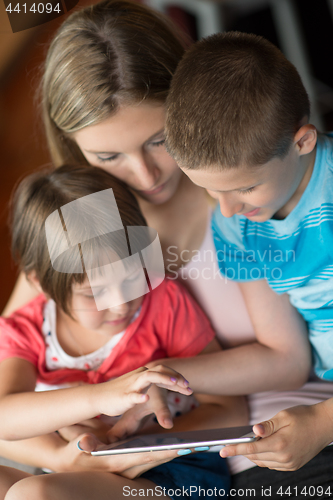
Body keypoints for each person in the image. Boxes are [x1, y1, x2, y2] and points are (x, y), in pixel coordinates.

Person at [0, 0, 331, 495]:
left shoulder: (240, 198)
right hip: (104, 456)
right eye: (108, 156)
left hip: (252, 444)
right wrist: (61, 457)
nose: (146, 176)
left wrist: (142, 380)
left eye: (160, 140)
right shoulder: (79, 221)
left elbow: (285, 359)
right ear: (74, 147)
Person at [0, 164, 247, 500]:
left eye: (132, 278)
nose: (121, 305)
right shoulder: (25, 330)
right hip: (74, 466)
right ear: (40, 284)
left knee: (34, 494)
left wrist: (138, 445)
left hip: (170, 470)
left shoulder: (162, 302)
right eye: (93, 293)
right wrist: (102, 396)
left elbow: (229, 407)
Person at [164, 30, 333, 490]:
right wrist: (159, 378)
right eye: (209, 190)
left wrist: (323, 421)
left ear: (302, 142)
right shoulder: (237, 225)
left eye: (243, 188)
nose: (226, 210)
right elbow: (284, 352)